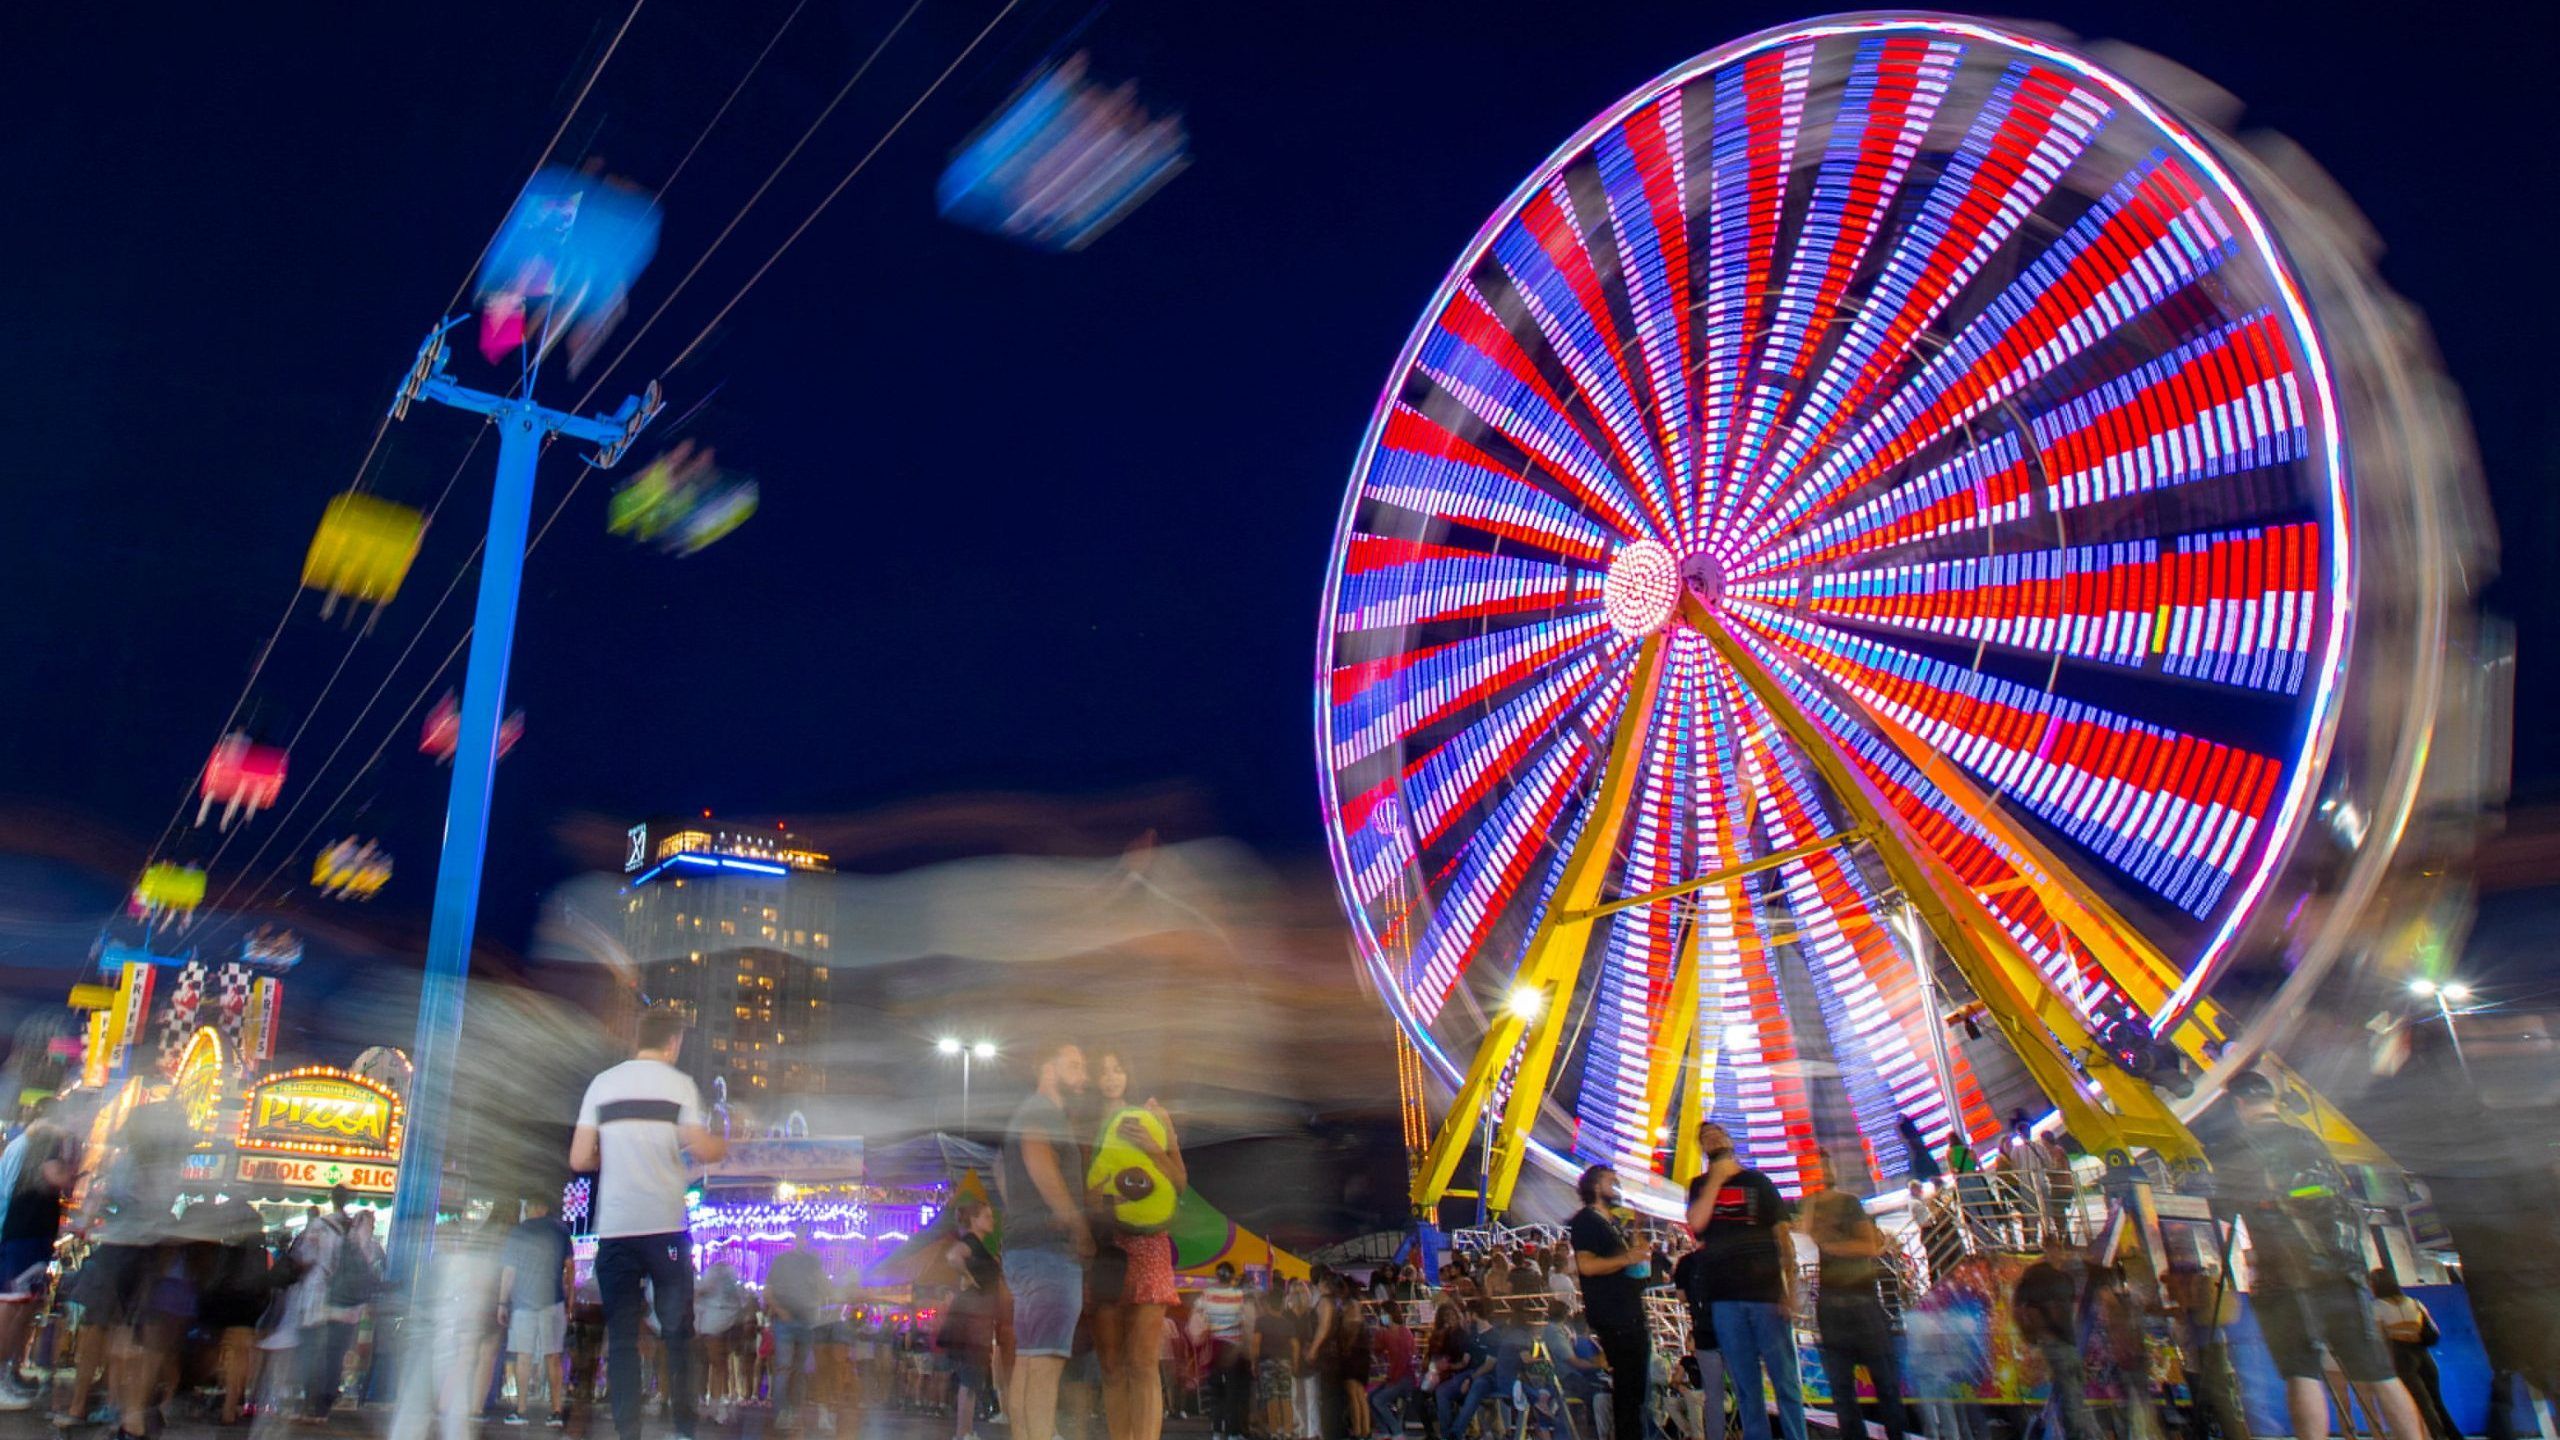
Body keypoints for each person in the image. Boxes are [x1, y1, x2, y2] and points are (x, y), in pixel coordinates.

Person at [2215, 1072, 2427, 1440]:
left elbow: (2224, 1208)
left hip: (2286, 1274)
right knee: (2380, 1373)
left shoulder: (2242, 1146)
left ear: (2239, 1105)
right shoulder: (2308, 1139)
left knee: (2302, 1373)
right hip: (2345, 1271)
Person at [571, 1007, 726, 1440]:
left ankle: (628, 1432)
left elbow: (579, 1158)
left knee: (621, 1335)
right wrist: (728, 1139)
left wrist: (614, 1156)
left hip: (617, 1230)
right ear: (673, 1042)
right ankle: (682, 1429)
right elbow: (704, 1149)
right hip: (665, 1229)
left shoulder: (603, 1084)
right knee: (677, 1331)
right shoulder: (679, 1086)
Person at [1088, 1054, 1188, 1440]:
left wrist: (1153, 1146)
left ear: (1130, 1074)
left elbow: (1179, 1183)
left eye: (1118, 1068)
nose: (1110, 1077)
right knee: (1111, 1364)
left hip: (1148, 1245)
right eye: (1103, 1070)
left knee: (1143, 1363)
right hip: (1103, 1247)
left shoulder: (1153, 1116)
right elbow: (1085, 1189)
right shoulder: (1084, 1125)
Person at [998, 1040, 1094, 1440]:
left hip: (1023, 1249)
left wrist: (1023, 1212)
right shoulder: (1042, 1111)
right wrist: (1076, 1223)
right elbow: (1037, 1157)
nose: (1083, 1075)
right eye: (1074, 1065)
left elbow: (1000, 1170)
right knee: (1045, 1365)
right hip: (1048, 1254)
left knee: (1028, 1360)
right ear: (1048, 1069)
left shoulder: (1026, 1112)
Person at [1686, 1123, 1802, 1440]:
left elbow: (1783, 1237)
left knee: (1786, 1382)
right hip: (1724, 1298)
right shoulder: (1698, 1186)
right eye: (1703, 1138)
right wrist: (1716, 1180)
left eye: (1716, 1134)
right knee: (1745, 1386)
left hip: (1766, 1294)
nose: (1710, 1138)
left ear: (1729, 1140)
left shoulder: (1759, 1182)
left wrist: (1790, 1288)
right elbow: (1697, 1224)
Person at [1802, 1176, 1907, 1440]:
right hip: (1843, 1310)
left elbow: (1867, 1246)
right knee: (1853, 1391)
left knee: (1874, 1388)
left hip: (1856, 1308)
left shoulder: (1848, 1204)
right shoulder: (1818, 1208)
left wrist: (1830, 1244)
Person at [1567, 1164, 1654, 1440]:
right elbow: (1587, 1265)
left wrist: (1638, 1229)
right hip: (1615, 1317)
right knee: (1628, 1392)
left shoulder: (1611, 1223)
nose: (1617, 1186)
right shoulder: (1586, 1221)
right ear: (1595, 1186)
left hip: (1629, 1312)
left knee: (1636, 1391)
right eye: (1611, 1181)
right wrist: (1627, 1259)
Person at [0, 1117, 73, 1411]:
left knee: (22, 1305)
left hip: (26, 1238)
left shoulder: (23, 1146)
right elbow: (58, 1178)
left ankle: (8, 1372)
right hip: (22, 1239)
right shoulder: (39, 1146)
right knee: (13, 1305)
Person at [2013, 1235, 2099, 1440]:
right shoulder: (2044, 1277)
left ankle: (2080, 1433)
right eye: (2053, 1248)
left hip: (2061, 1341)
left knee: (2072, 1394)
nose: (2057, 1253)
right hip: (2057, 1341)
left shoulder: (2055, 1277)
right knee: (2071, 1396)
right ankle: (2079, 1434)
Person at [501, 1195, 574, 1428]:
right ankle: (556, 1411)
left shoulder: (519, 1232)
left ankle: (521, 1410)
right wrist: (570, 1299)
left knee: (524, 1356)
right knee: (553, 1356)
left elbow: (509, 1271)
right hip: (553, 1301)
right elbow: (570, 1268)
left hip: (523, 1302)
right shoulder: (561, 1231)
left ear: (533, 1207)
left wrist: (502, 1302)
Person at [2372, 1271, 2459, 1440]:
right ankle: (2453, 1435)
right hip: (2423, 1354)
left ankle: (2435, 1436)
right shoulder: (2414, 1302)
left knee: (2421, 1402)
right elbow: (2433, 1329)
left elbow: (2378, 1337)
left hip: (2401, 1357)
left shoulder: (2376, 1307)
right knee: (2436, 1400)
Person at [940, 1202, 1001, 1440]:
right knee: (970, 1376)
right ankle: (963, 1432)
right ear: (974, 1219)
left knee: (971, 1377)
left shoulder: (978, 1245)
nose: (992, 1220)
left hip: (977, 1316)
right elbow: (953, 1255)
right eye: (987, 1216)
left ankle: (965, 1431)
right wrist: (968, 1277)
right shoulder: (971, 1243)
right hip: (972, 1319)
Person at [767, 1228, 830, 1432]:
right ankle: (786, 1412)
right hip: (794, 1320)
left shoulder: (799, 1262)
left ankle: (788, 1412)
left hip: (797, 1320)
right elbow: (768, 1292)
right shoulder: (792, 1262)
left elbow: (768, 1291)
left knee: (791, 1369)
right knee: (790, 1369)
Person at [1195, 1263, 1252, 1440]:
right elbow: (1246, 1324)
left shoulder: (1206, 1295)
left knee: (1216, 1391)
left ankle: (1217, 1431)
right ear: (1232, 1276)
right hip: (1233, 1348)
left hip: (1213, 1348)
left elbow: (1196, 1320)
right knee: (1232, 1392)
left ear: (1216, 1276)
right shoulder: (1239, 1296)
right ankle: (1233, 1433)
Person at [696, 1263, 749, 1426]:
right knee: (719, 1365)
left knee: (715, 1365)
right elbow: (741, 1304)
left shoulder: (711, 1283)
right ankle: (715, 1403)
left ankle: (713, 1403)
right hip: (718, 1325)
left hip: (711, 1325)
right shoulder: (728, 1284)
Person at [1366, 1301, 1418, 1438]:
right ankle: (1384, 1431)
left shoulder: (1404, 1333)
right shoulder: (1386, 1333)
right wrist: (1378, 1333)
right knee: (1370, 1397)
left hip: (1405, 1378)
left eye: (1384, 1313)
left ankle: (1397, 1431)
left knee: (1378, 1400)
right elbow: (1377, 1350)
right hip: (1394, 1377)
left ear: (1391, 1314)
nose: (1381, 1316)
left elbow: (1404, 1360)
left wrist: (1392, 1380)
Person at [1895, 1117, 1941, 1185]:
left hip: (1918, 1160)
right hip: (1925, 1159)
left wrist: (1897, 1126)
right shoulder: (1917, 1138)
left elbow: (1905, 1142)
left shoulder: (1910, 1143)